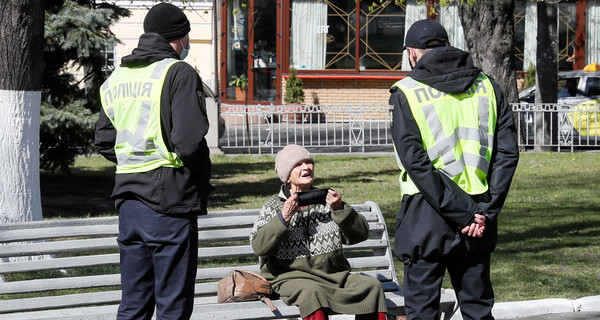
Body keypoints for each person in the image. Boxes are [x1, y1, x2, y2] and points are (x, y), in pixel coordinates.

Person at [389, 19, 519, 320]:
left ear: (412, 53)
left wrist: (460, 214)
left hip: (427, 213)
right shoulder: (488, 86)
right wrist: (484, 211)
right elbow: (507, 155)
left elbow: (416, 163)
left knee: (422, 312)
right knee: (477, 309)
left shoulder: (407, 91)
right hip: (479, 212)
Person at [94, 3, 213, 319]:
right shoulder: (178, 72)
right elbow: (188, 143)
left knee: (133, 304)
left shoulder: (117, 77)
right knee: (172, 307)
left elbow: (104, 141)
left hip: (129, 205)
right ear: (181, 37)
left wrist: (137, 156)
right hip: (169, 204)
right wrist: (199, 178)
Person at [249, 144, 387, 320]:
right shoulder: (274, 207)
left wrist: (340, 209)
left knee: (371, 286)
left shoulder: (327, 201)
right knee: (312, 293)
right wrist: (283, 218)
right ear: (287, 176)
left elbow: (360, 235)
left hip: (334, 276)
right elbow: (259, 247)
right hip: (288, 278)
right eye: (298, 164)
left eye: (309, 162)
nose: (306, 167)